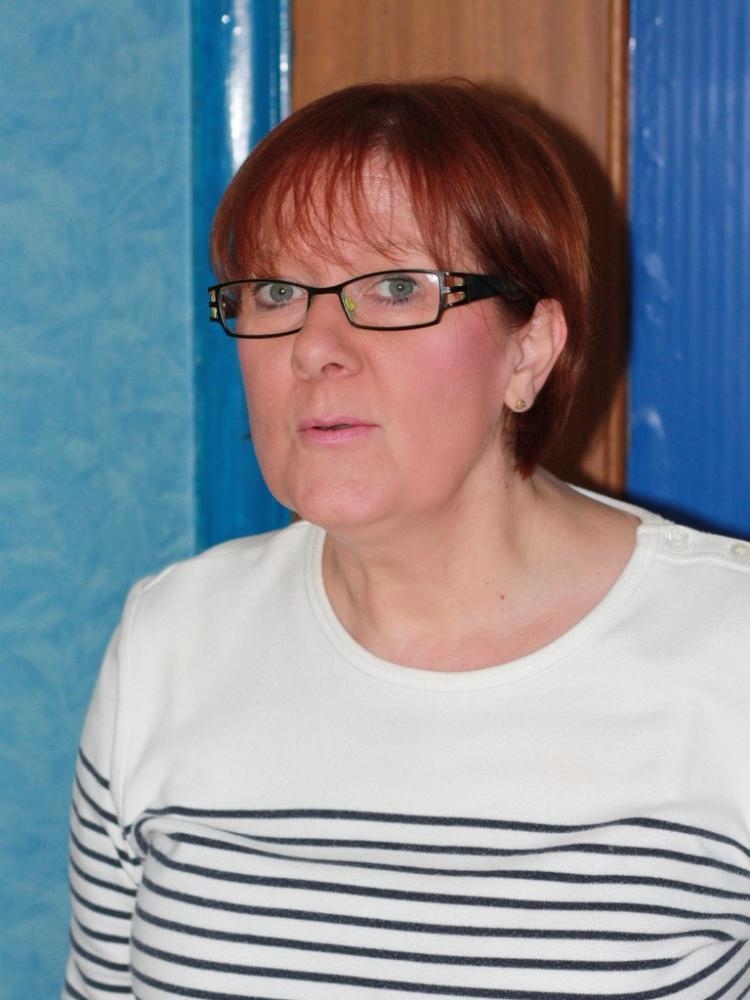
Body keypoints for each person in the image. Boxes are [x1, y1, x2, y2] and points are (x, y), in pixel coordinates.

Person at [64, 81, 750, 1000]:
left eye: (394, 287)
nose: (313, 346)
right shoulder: (171, 641)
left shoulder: (728, 653)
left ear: (528, 351)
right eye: (276, 291)